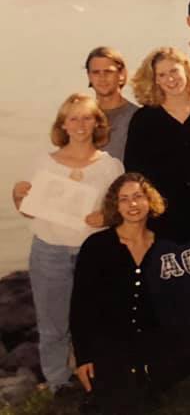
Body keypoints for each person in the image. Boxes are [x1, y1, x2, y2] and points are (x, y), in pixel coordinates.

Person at [11, 94, 123, 394]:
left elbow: (121, 210)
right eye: (73, 118)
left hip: (93, 254)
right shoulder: (44, 161)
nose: (80, 124)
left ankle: (97, 376)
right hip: (50, 250)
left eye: (87, 117)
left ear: (98, 123)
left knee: (96, 319)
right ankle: (59, 382)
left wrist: (106, 216)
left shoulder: (110, 166)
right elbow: (27, 208)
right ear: (63, 124)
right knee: (53, 325)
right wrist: (17, 195)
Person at [70, 173, 172, 411]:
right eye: (123, 199)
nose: (132, 205)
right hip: (110, 340)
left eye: (138, 197)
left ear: (150, 201)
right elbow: (81, 306)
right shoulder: (96, 246)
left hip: (152, 339)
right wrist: (84, 357)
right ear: (114, 205)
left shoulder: (165, 244)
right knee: (119, 402)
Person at [125, 48, 190, 243]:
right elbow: (134, 171)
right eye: (162, 75)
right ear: (154, 80)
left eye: (174, 71)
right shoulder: (143, 119)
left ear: (187, 70)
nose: (170, 79)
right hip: (161, 217)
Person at [85, 46, 139, 160]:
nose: (102, 78)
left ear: (121, 74)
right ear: (89, 76)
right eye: (96, 72)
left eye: (108, 71)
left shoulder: (138, 117)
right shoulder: (81, 118)